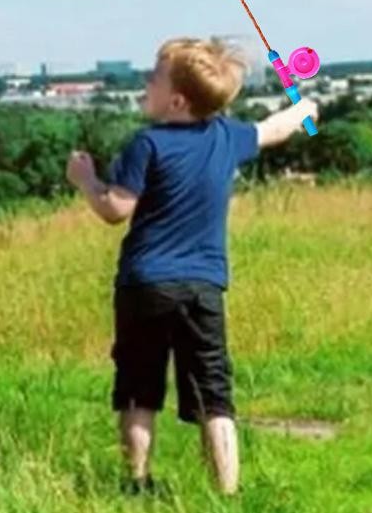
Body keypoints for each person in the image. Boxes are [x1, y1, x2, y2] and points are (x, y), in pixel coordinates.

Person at [65, 36, 319, 497]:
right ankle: (226, 494)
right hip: (203, 287)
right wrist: (305, 111)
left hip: (145, 285)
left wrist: (86, 180)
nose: (146, 81)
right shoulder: (226, 137)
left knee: (139, 390)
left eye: (154, 77)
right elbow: (272, 129)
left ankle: (136, 484)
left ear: (177, 100)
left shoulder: (147, 144)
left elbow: (115, 209)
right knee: (213, 396)